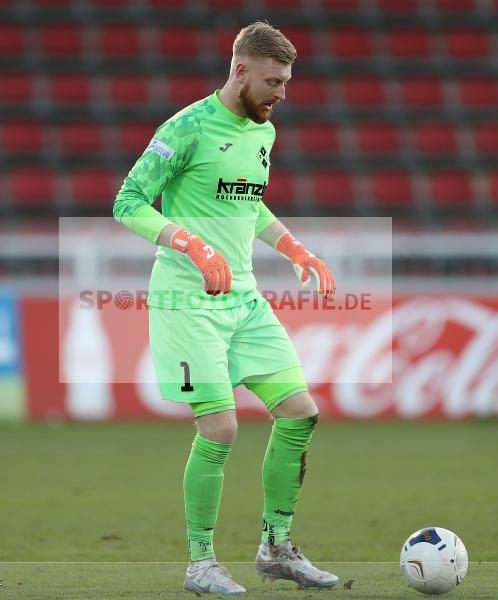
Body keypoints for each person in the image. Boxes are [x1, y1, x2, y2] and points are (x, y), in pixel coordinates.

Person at [112, 21, 338, 595]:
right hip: (188, 299)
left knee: (299, 411)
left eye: (286, 82)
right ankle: (201, 564)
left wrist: (293, 246)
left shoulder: (264, 132)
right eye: (273, 81)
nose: (281, 93)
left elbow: (249, 204)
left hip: (244, 296)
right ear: (240, 71)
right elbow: (127, 201)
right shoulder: (185, 128)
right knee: (220, 426)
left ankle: (276, 547)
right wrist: (188, 243)